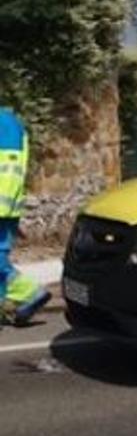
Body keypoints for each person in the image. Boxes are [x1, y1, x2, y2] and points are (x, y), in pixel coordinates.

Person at [0, 107, 47, 327]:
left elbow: (6, 172)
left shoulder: (4, 123)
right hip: (7, 206)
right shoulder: (10, 122)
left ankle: (29, 292)